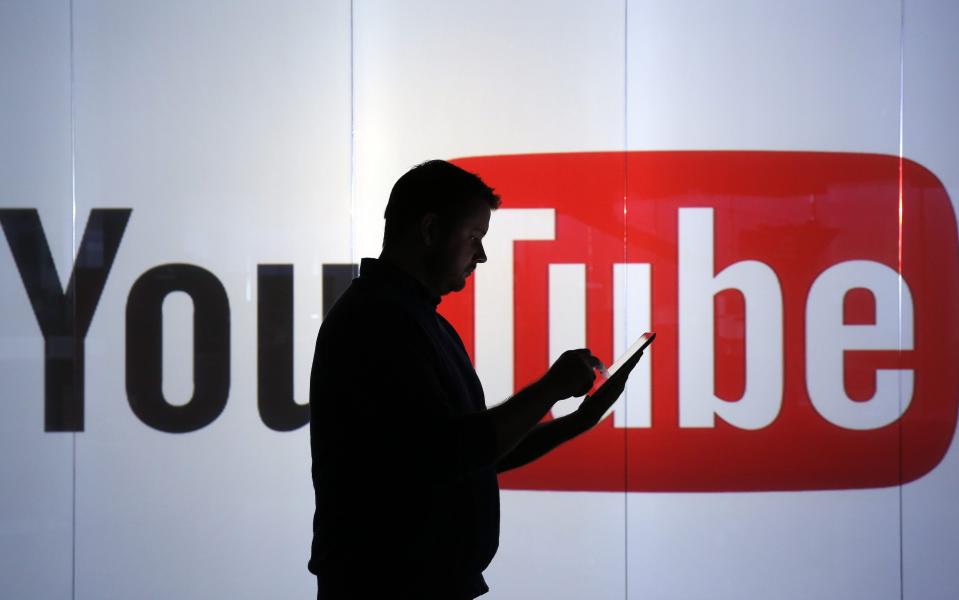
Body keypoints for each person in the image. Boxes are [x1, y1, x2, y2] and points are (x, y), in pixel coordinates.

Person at [309, 160, 639, 599]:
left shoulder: (416, 320)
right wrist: (551, 388)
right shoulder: (378, 323)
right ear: (429, 229)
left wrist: (576, 421)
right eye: (474, 238)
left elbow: (476, 455)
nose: (480, 256)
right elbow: (449, 451)